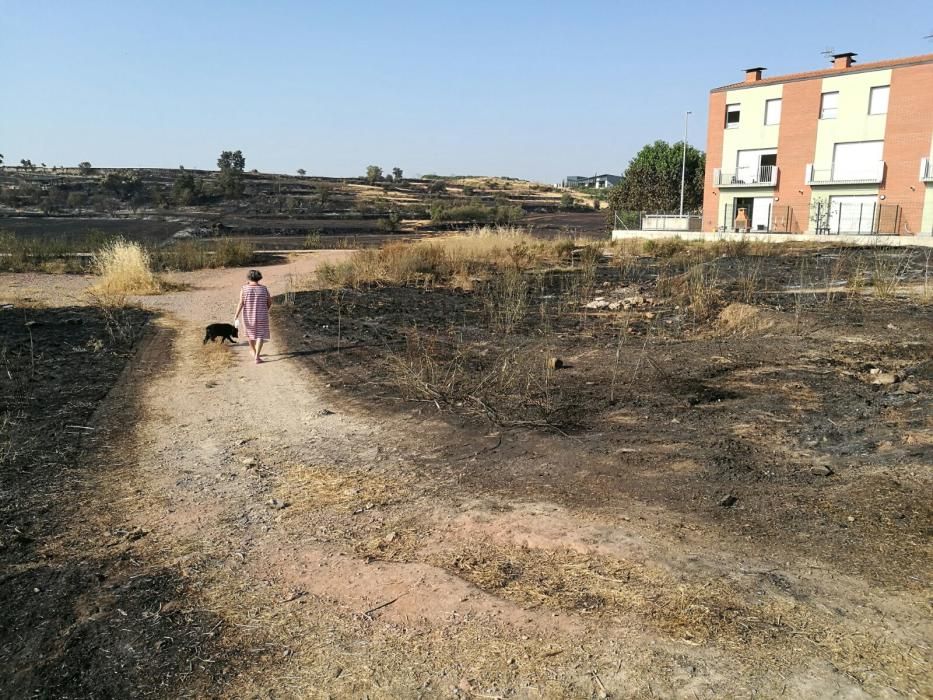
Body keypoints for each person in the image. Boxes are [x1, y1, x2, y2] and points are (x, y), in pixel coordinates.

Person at [233, 269, 272, 363]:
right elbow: (269, 302)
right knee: (260, 335)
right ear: (259, 278)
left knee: (250, 335)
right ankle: (257, 357)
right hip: (262, 316)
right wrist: (265, 309)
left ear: (248, 278)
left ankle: (254, 352)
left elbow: (241, 303)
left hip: (248, 316)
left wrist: (236, 315)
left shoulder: (244, 288)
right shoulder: (264, 288)